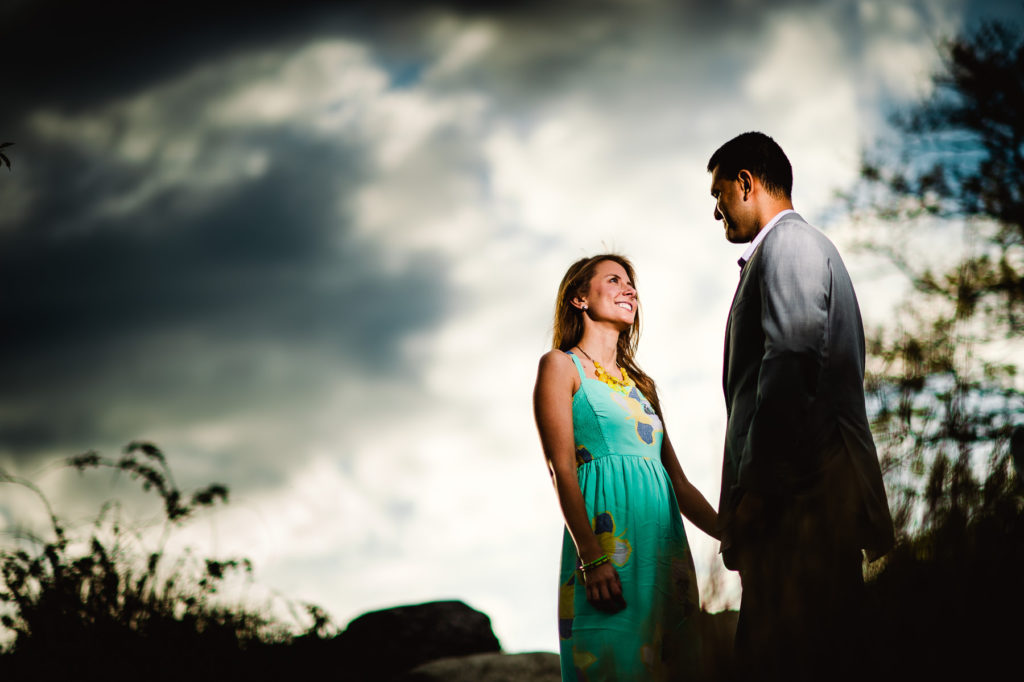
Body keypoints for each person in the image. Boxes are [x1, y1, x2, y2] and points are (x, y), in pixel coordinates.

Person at [708, 132, 895, 680]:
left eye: (717, 194)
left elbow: (791, 357)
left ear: (746, 183)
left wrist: (757, 493)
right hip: (797, 498)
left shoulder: (789, 245)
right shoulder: (798, 250)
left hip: (797, 502)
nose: (715, 210)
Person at [533, 254, 719, 681]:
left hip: (664, 551)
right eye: (614, 280)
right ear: (580, 297)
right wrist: (592, 558)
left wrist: (732, 534)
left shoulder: (642, 387)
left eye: (631, 284)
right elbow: (560, 467)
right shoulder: (561, 366)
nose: (629, 289)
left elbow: (679, 482)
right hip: (606, 549)